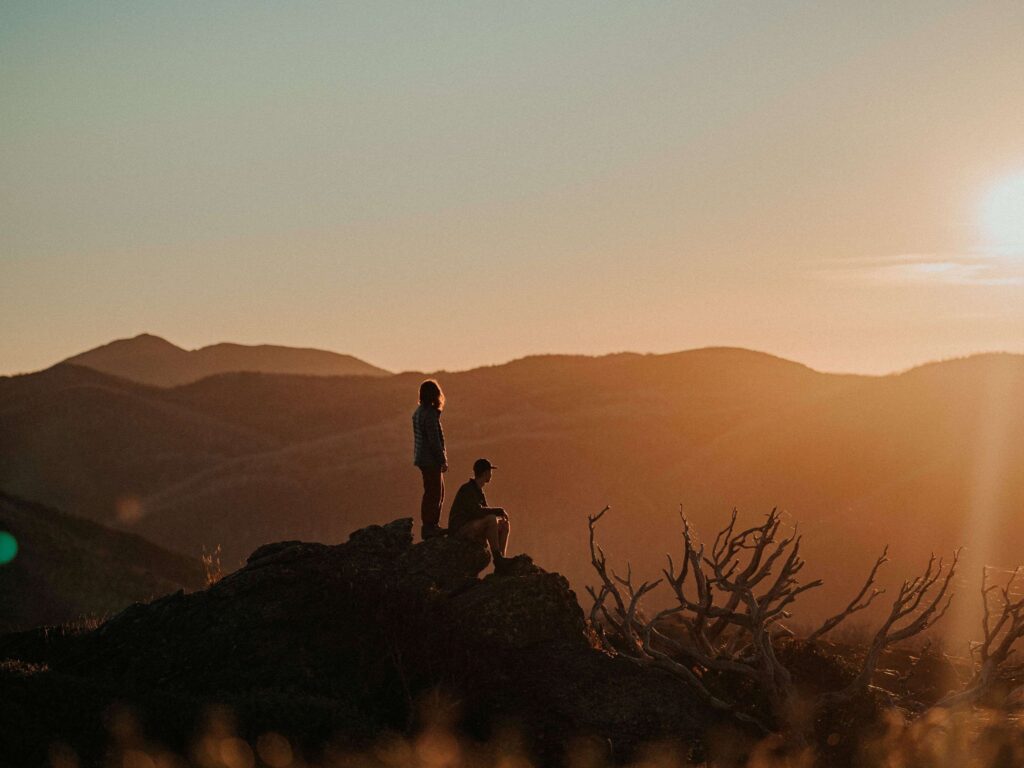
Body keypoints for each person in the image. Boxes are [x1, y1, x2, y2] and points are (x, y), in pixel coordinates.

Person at [447, 458, 510, 563]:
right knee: (491, 519)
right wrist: (498, 511)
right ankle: (498, 559)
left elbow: (483, 512)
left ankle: (501, 558)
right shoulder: (467, 489)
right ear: (485, 473)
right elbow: (476, 512)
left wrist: (497, 515)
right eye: (490, 471)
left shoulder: (478, 490)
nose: (491, 474)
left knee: (504, 524)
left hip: (471, 526)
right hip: (460, 529)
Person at [413, 379, 448, 540]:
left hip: (422, 458)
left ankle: (430, 526)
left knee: (431, 491)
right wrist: (442, 459)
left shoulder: (418, 412)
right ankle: (430, 527)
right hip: (431, 460)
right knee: (436, 492)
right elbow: (434, 441)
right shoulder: (430, 414)